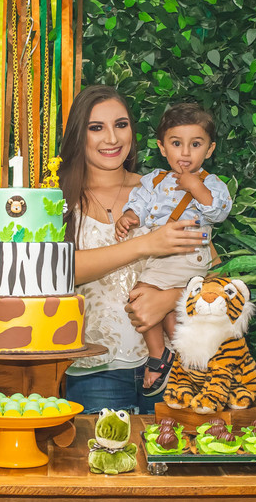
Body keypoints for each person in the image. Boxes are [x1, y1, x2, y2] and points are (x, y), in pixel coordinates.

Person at [59, 85, 208, 414]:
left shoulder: (165, 189)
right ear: (78, 135)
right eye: (96, 127)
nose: (112, 138)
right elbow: (57, 270)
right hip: (94, 371)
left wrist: (172, 298)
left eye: (121, 124)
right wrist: (145, 244)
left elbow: (212, 268)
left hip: (175, 368)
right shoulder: (57, 198)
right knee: (101, 448)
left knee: (173, 447)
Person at [114, 102, 233, 395]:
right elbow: (139, 205)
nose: (185, 153)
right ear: (162, 147)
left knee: (141, 296)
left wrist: (196, 187)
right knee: (160, 306)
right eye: (176, 144)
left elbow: (218, 212)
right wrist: (128, 216)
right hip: (160, 255)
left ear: (209, 149)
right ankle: (183, 360)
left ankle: (160, 356)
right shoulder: (155, 180)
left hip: (188, 252)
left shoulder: (211, 182)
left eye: (196, 144)